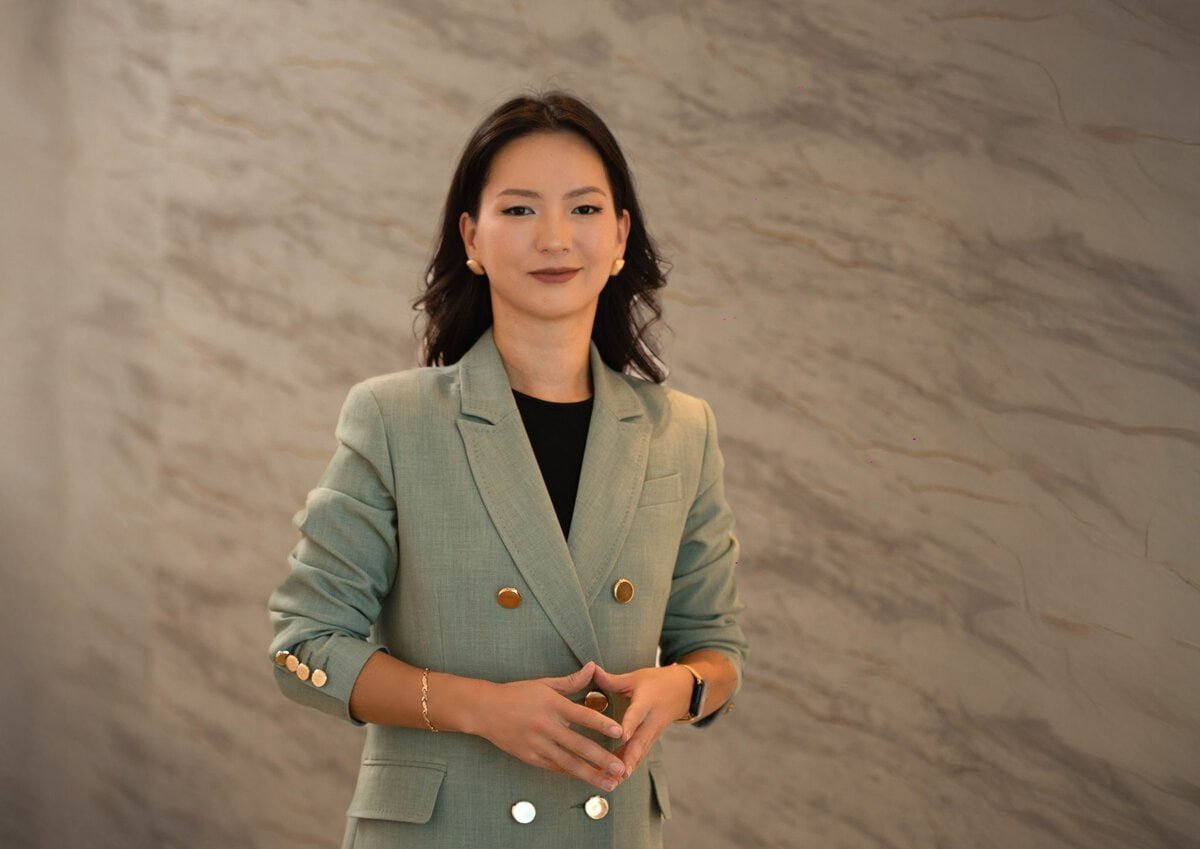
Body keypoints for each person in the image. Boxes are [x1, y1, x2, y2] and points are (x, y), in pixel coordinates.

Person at [266, 89, 749, 849]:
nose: (555, 237)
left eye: (585, 210)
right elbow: (303, 645)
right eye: (520, 210)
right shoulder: (394, 419)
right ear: (473, 236)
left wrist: (680, 686)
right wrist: (478, 708)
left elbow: (718, 647)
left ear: (621, 236)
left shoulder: (680, 432)